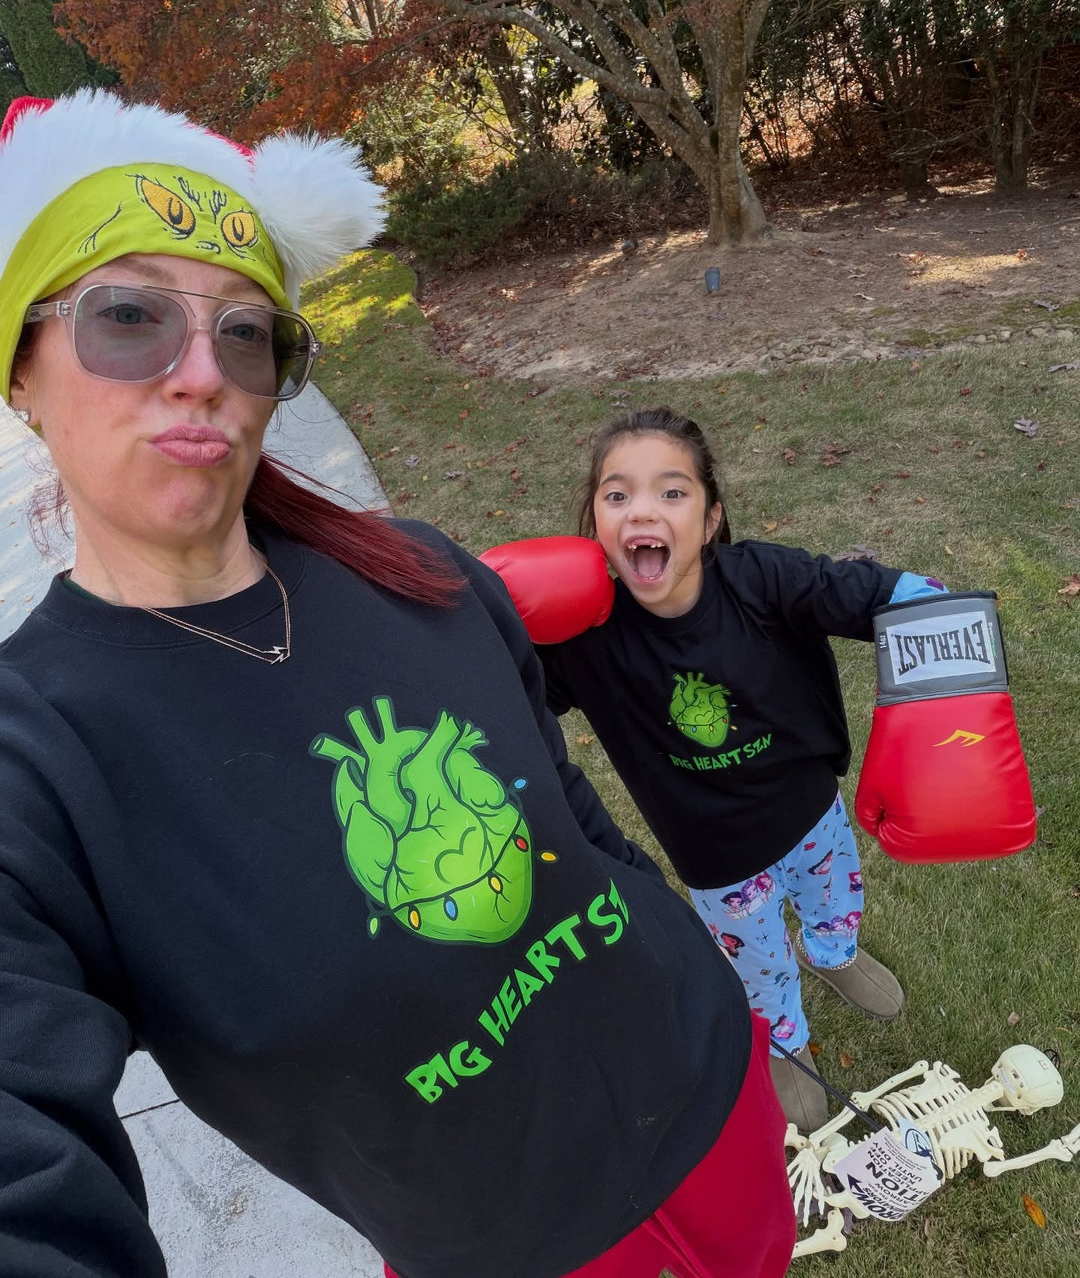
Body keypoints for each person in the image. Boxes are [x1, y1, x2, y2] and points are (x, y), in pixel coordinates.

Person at [0, 91, 795, 1278]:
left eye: (246, 334)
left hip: (722, 1114)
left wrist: (692, 966)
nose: (200, 375)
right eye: (130, 321)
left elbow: (567, 815)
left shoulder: (417, 569)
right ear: (21, 375)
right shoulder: (32, 762)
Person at [528, 408, 949, 1132]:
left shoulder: (761, 580)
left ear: (711, 517)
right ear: (593, 523)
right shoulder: (584, 637)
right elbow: (523, 702)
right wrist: (500, 637)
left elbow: (848, 591)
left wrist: (927, 604)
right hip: (717, 856)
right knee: (756, 963)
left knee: (833, 898)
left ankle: (833, 954)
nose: (643, 511)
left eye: (672, 492)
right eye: (617, 494)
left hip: (812, 810)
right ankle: (785, 1043)